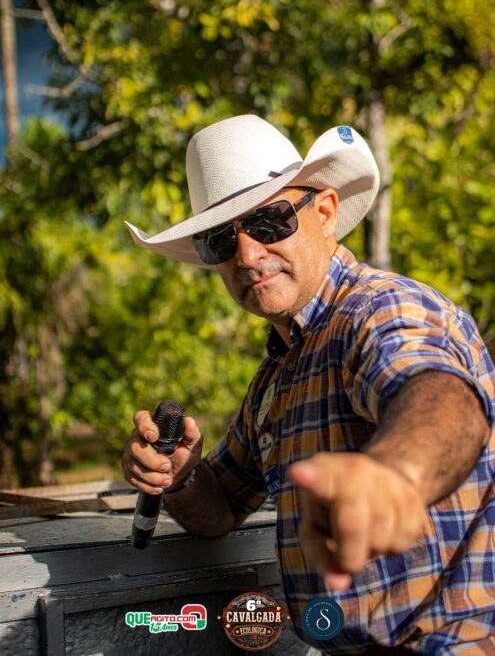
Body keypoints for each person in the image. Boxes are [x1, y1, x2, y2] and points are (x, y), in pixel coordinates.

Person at [121, 115, 495, 654]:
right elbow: (222, 506)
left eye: (269, 222)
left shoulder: (381, 310)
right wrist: (179, 477)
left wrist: (394, 478)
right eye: (220, 240)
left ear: (324, 213)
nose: (248, 255)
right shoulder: (276, 378)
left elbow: (442, 398)